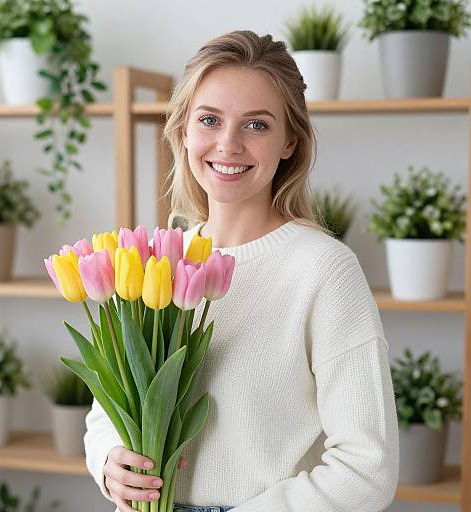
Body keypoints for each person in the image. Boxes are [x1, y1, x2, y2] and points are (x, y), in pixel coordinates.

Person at [84, 30, 399, 512]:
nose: (228, 144)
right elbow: (108, 408)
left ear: (290, 142)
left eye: (256, 125)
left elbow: (366, 468)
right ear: (183, 131)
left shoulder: (324, 271)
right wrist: (109, 461)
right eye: (209, 119)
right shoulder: (156, 261)